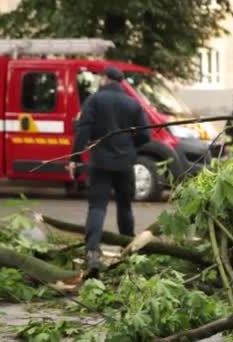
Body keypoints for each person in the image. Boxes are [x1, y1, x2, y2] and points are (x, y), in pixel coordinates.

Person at [68, 66, 151, 278]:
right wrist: (128, 145)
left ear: (105, 79)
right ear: (120, 81)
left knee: (97, 207)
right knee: (125, 206)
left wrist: (75, 158)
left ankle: (93, 254)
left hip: (100, 163)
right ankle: (127, 252)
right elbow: (145, 136)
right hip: (125, 163)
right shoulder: (132, 103)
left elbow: (83, 129)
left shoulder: (95, 100)